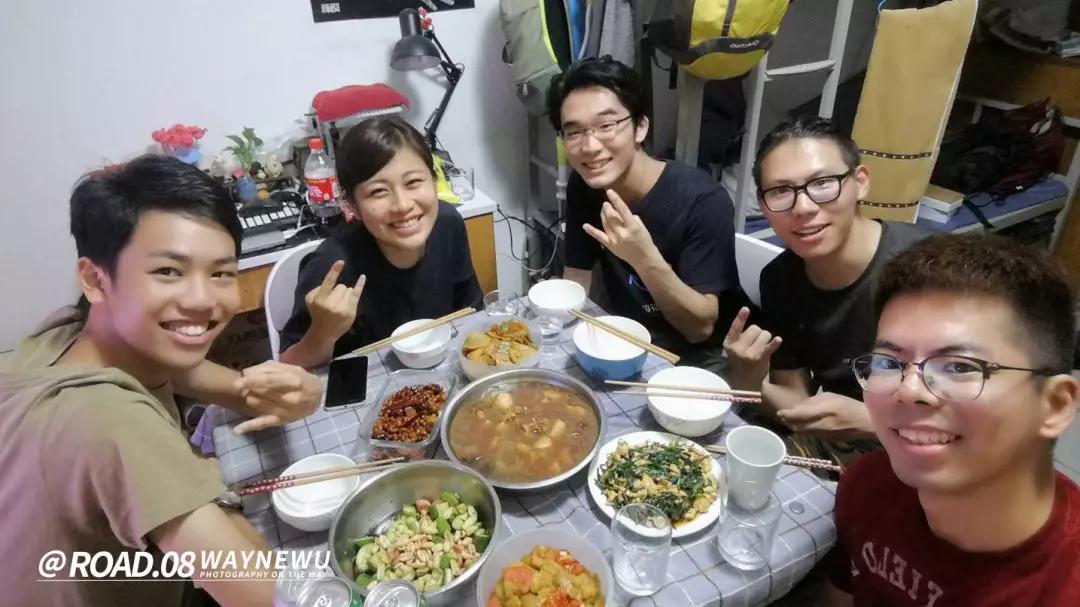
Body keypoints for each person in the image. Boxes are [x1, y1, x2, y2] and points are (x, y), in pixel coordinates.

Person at [0, 156, 319, 607]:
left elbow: (190, 372)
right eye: (168, 271)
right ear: (96, 279)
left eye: (221, 273)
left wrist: (269, 390)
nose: (201, 300)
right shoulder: (107, 421)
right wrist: (211, 490)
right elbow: (268, 596)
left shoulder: (71, 335)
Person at [823, 233, 1080, 606]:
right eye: (888, 363)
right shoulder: (866, 487)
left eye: (959, 366)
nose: (909, 389)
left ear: (1054, 406)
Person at [723, 116, 931, 465]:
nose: (803, 208)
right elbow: (797, 402)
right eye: (781, 192)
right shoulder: (780, 279)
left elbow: (994, 419)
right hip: (849, 453)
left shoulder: (931, 272)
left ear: (860, 182)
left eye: (822, 183)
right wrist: (749, 380)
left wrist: (876, 422)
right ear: (762, 205)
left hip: (936, 459)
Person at [547, 56, 751, 367]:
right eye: (573, 132)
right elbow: (577, 274)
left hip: (699, 359)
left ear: (640, 126)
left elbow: (700, 329)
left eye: (606, 126)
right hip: (625, 340)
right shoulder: (584, 185)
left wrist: (643, 257)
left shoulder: (702, 200)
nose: (589, 146)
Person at [279, 116, 483, 368]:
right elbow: (288, 367)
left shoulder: (448, 223)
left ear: (434, 179)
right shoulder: (332, 264)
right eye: (378, 191)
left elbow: (472, 311)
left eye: (413, 182)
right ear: (352, 204)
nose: (403, 205)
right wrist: (322, 333)